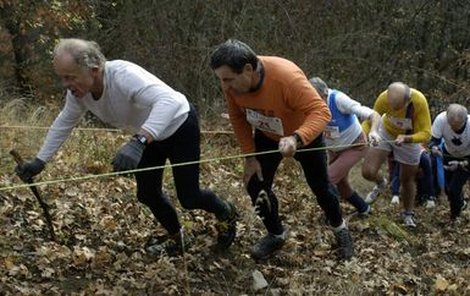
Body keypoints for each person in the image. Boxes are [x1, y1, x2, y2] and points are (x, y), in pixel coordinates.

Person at [14, 38, 238, 255]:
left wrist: (138, 141)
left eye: (70, 77)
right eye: (63, 78)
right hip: (147, 136)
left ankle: (225, 211)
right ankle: (177, 239)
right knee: (147, 193)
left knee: (189, 197)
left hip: (179, 126)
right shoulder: (79, 94)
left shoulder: (123, 75)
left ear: (93, 69)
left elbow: (173, 101)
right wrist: (39, 161)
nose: (66, 85)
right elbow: (64, 122)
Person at [209, 39, 354, 260]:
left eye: (228, 79)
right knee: (255, 183)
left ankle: (339, 228)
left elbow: (321, 112)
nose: (224, 87)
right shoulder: (232, 86)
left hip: (305, 135)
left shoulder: (286, 77)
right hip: (267, 135)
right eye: (221, 80)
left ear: (248, 69)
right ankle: (276, 234)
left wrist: (297, 138)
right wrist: (250, 156)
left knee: (321, 187)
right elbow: (238, 118)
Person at [362, 82, 432, 228]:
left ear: (407, 101)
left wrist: (408, 139)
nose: (394, 110)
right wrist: (367, 133)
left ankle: (408, 213)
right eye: (391, 106)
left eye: (398, 107)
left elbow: (426, 133)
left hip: (410, 138)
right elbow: (372, 118)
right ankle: (381, 183)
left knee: (406, 179)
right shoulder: (383, 98)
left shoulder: (419, 101)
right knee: (368, 172)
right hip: (386, 132)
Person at [309, 77, 381, 216]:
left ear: (325, 94)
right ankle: (364, 209)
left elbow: (373, 114)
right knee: (342, 186)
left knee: (328, 179)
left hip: (354, 146)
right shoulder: (308, 103)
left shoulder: (338, 99)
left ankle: (333, 216)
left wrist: (373, 131)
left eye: (320, 100)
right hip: (334, 149)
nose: (317, 104)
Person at [429, 104, 470, 220]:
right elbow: (434, 140)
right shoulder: (441, 120)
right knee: (448, 188)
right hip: (448, 154)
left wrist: (462, 164)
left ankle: (454, 216)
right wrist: (434, 148)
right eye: (451, 125)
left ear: (465, 120)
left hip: (467, 157)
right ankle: (461, 204)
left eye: (458, 126)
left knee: (454, 188)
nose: (454, 129)